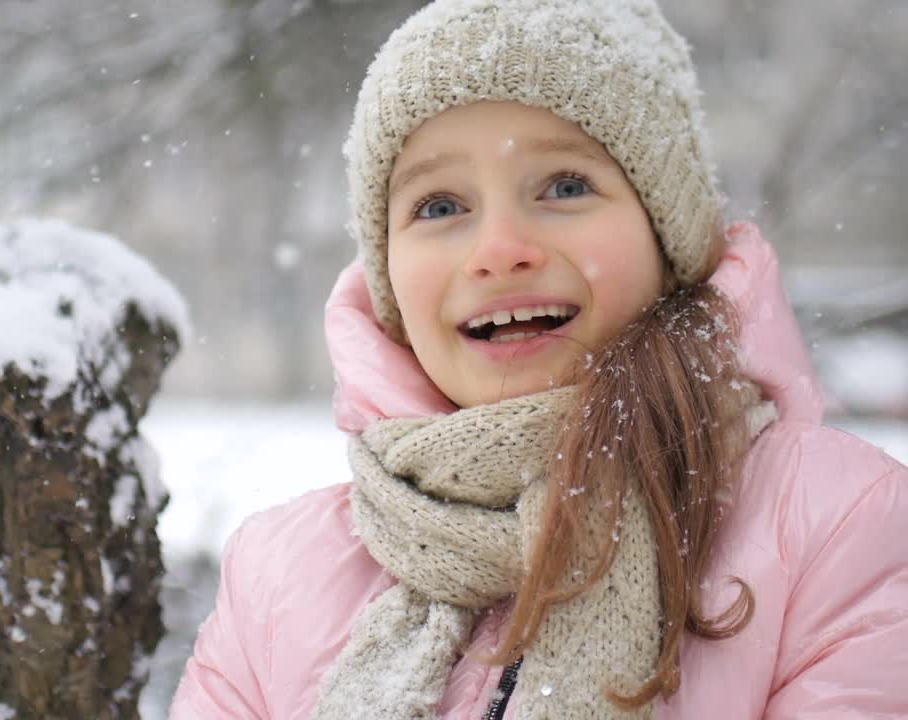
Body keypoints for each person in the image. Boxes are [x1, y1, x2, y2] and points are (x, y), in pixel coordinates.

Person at [170, 0, 908, 717]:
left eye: (564, 186)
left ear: (667, 240)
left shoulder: (839, 525)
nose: (498, 252)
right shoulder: (278, 575)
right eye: (438, 206)